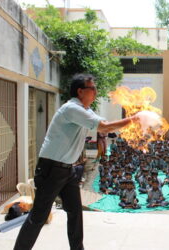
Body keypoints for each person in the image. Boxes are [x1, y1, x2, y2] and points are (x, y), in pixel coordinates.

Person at [14, 74, 139, 250]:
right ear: (80, 91)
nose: (96, 92)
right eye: (92, 88)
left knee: (75, 212)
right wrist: (134, 120)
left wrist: (130, 120)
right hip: (52, 168)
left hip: (67, 170)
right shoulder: (72, 109)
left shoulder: (85, 110)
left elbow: (104, 123)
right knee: (38, 216)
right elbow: (105, 127)